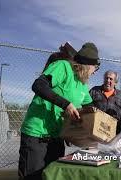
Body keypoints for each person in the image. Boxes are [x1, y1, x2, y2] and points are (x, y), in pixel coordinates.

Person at [18, 42, 100, 180]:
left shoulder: (82, 84)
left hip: (57, 138)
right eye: (95, 68)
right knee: (33, 177)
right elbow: (38, 85)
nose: (94, 73)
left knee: (53, 176)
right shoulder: (63, 66)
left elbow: (90, 108)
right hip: (37, 135)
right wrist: (66, 104)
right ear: (88, 65)